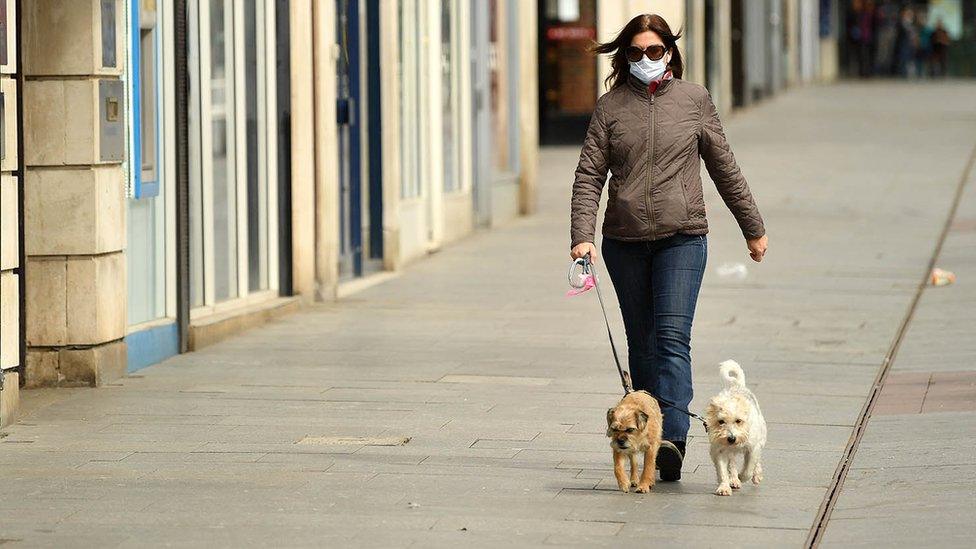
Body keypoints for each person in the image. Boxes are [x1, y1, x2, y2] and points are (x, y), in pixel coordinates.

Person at [569, 14, 767, 481]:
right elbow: (589, 175)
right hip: (624, 242)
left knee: (672, 340)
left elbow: (724, 166)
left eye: (654, 51)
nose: (645, 60)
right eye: (635, 53)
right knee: (642, 344)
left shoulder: (695, 100)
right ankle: (648, 435)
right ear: (625, 57)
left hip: (683, 238)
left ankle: (673, 440)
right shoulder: (610, 107)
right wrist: (582, 235)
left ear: (669, 54)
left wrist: (752, 227)